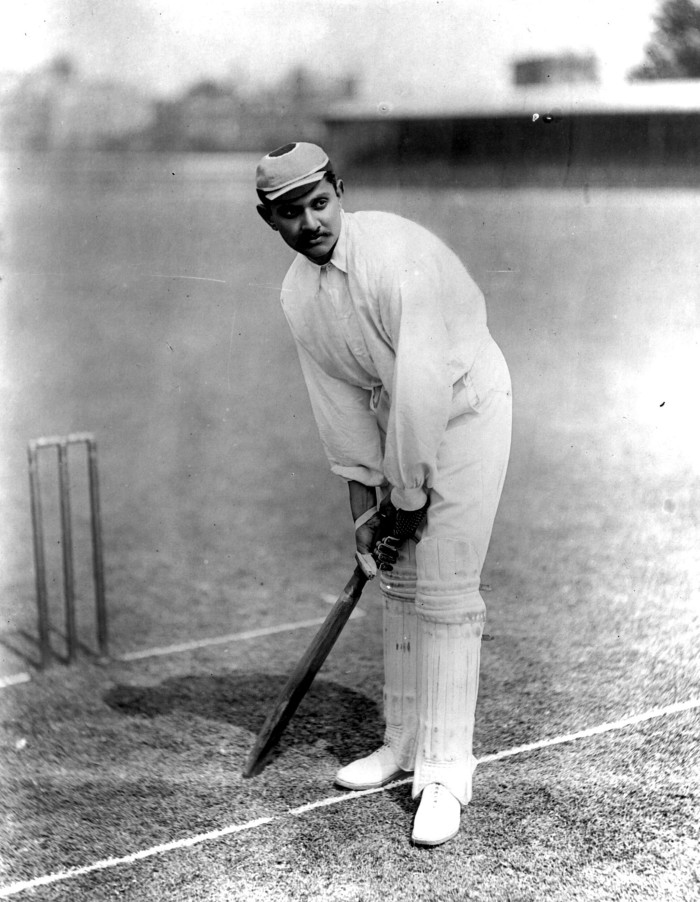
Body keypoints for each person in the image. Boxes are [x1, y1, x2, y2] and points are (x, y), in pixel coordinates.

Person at [255, 142, 511, 846]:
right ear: (268, 220)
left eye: (319, 202)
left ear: (339, 192)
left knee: (449, 591)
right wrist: (367, 513)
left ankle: (444, 775)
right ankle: (401, 744)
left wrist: (407, 489)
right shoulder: (297, 296)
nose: (310, 222)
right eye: (290, 213)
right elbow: (340, 410)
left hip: (464, 410)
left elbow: (426, 384)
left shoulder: (396, 259)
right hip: (397, 421)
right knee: (396, 584)